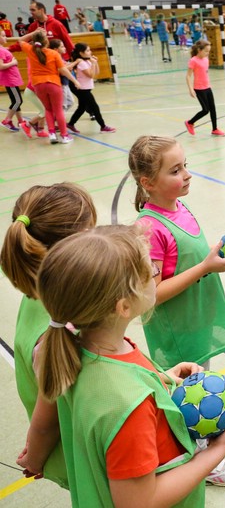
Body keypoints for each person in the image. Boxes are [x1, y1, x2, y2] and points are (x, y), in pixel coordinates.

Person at [35, 224, 225, 507]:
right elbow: (139, 502)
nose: (157, 274)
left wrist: (160, 378)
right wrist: (213, 452)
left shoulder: (79, 348)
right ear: (123, 307)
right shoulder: (128, 405)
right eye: (151, 272)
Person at [128, 135, 225, 486]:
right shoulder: (148, 228)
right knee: (184, 394)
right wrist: (207, 267)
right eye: (175, 170)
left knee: (199, 383)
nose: (187, 175)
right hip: (176, 328)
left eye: (185, 166)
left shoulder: (178, 205)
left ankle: (207, 433)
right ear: (148, 183)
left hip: (197, 316)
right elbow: (153, 295)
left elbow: (187, 255)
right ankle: (198, 458)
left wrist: (216, 254)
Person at [2, 183, 97, 487]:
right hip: (77, 452)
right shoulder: (61, 330)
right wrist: (35, 457)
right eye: (91, 234)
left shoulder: (39, 287)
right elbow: (48, 421)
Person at [19, 30, 80, 144]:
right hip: (53, 83)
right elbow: (62, 70)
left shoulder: (31, 50)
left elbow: (20, 40)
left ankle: (52, 134)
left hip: (38, 85)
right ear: (46, 41)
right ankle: (64, 136)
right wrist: (75, 81)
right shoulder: (53, 53)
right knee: (58, 111)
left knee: (48, 109)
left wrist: (34, 33)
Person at [67, 43, 116, 134]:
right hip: (82, 89)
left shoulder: (87, 61)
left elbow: (96, 72)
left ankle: (70, 124)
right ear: (81, 53)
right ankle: (103, 126)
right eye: (88, 50)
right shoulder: (81, 63)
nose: (90, 52)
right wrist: (93, 64)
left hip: (85, 88)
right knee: (94, 107)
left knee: (82, 107)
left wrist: (95, 63)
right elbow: (91, 75)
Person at [184, 40, 223, 137]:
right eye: (206, 51)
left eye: (208, 51)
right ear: (199, 50)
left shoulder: (206, 59)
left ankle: (215, 129)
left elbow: (205, 73)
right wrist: (191, 89)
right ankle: (190, 122)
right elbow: (188, 76)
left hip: (207, 87)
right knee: (205, 110)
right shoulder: (193, 60)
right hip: (199, 89)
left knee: (213, 109)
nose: (207, 53)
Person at [0, 30, 26, 133]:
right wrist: (13, 62)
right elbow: (1, 66)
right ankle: (7, 120)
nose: (6, 37)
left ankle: (20, 121)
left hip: (12, 79)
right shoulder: (1, 51)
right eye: (3, 36)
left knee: (16, 101)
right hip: (10, 79)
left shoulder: (3, 49)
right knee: (18, 101)